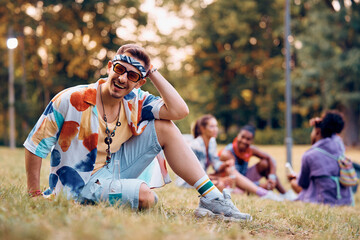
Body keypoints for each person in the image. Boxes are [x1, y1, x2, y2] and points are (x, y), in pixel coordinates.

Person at [24, 44, 252, 221]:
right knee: (146, 197)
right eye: (120, 69)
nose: (122, 78)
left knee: (164, 126)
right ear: (110, 66)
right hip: (83, 182)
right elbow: (36, 144)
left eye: (132, 75)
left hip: (114, 168)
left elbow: (179, 111)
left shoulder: (136, 101)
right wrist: (34, 194)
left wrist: (151, 71)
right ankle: (86, 201)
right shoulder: (72, 99)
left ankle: (211, 198)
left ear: (140, 82)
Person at [177, 114, 283, 201]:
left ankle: (261, 191)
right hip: (189, 182)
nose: (216, 129)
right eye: (212, 126)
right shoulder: (196, 146)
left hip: (202, 178)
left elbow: (216, 165)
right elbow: (197, 175)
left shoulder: (212, 142)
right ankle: (261, 192)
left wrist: (225, 165)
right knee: (221, 185)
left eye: (216, 126)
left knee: (227, 177)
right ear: (202, 129)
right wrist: (220, 178)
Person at [287, 110, 353, 206]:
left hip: (323, 200)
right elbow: (335, 135)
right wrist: (324, 123)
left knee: (294, 182)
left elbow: (302, 184)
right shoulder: (339, 146)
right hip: (345, 200)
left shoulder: (309, 155)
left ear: (317, 132)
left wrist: (295, 179)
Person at [219, 125, 295, 199]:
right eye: (242, 137)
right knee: (239, 191)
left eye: (248, 139)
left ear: (252, 141)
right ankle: (263, 191)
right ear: (237, 136)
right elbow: (235, 179)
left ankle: (284, 193)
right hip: (230, 183)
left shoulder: (250, 149)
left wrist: (272, 177)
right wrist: (261, 185)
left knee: (265, 163)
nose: (244, 141)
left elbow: (269, 158)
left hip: (244, 177)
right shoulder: (227, 153)